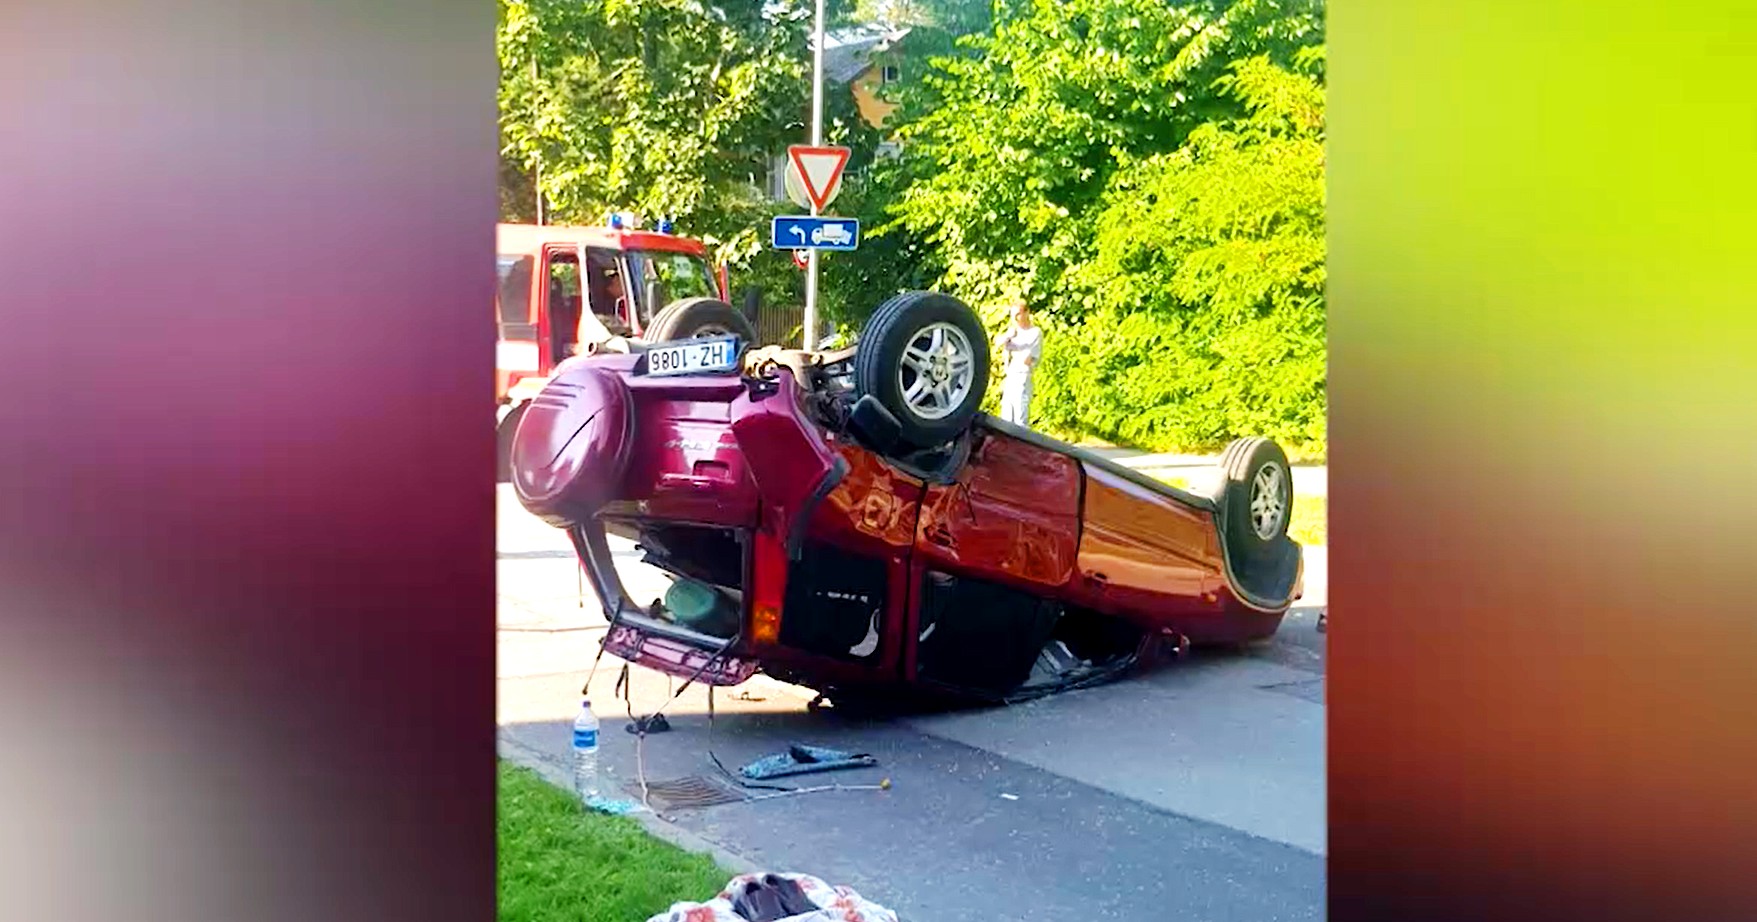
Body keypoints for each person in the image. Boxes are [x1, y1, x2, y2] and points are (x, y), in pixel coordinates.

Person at [995, 300, 1043, 427]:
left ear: (1026, 313)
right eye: (1013, 315)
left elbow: (1031, 357)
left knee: (1020, 416)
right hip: (1010, 375)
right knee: (1006, 414)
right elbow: (998, 343)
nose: (1015, 318)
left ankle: (1022, 443)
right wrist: (1007, 336)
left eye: (1018, 314)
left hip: (1023, 375)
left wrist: (1025, 359)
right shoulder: (1012, 331)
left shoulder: (1035, 332)